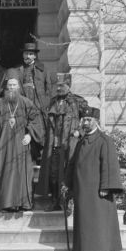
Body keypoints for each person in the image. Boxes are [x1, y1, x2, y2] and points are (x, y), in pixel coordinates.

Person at [62, 106, 123, 251]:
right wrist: (67, 184)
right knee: (84, 224)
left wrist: (106, 187)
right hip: (82, 192)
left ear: (96, 121)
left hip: (98, 192)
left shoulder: (104, 140)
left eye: (89, 120)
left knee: (99, 222)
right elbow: (73, 164)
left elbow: (109, 165)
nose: (86, 122)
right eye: (84, 119)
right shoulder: (81, 141)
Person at [0, 70, 45, 212]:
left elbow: (36, 121)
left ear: (19, 87)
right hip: (4, 146)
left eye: (14, 85)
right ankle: (7, 203)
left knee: (23, 174)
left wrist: (30, 135)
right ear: (5, 87)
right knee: (6, 174)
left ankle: (23, 203)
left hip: (22, 145)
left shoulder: (27, 103)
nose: (12, 87)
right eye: (9, 85)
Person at [37, 73, 88, 211]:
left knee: (68, 173)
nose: (59, 88)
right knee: (53, 174)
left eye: (62, 85)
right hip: (54, 144)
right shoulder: (52, 102)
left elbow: (91, 119)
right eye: (57, 86)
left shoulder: (78, 102)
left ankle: (67, 202)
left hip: (70, 144)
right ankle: (55, 201)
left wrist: (80, 132)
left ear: (68, 86)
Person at [10, 42, 52, 164]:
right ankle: (28, 156)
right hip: (24, 106)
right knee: (25, 129)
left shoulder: (42, 70)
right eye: (26, 54)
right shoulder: (19, 70)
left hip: (39, 106)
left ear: (34, 56)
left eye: (30, 54)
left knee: (40, 130)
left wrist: (45, 103)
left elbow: (48, 88)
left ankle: (40, 157)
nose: (28, 56)